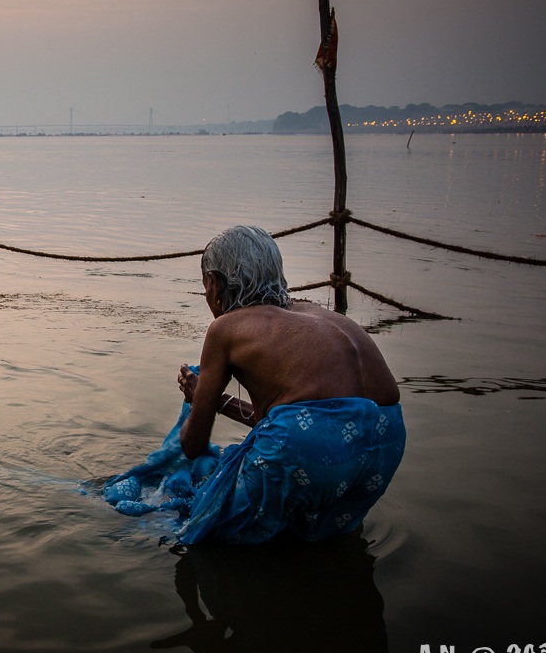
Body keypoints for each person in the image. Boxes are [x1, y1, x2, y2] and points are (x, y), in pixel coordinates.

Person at [106, 225, 405, 544]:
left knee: (211, 532)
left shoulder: (226, 328)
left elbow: (193, 445)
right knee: (320, 542)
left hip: (305, 449)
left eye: (206, 285)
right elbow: (301, 416)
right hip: (386, 443)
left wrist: (197, 402)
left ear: (216, 283)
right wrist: (218, 401)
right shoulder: (320, 314)